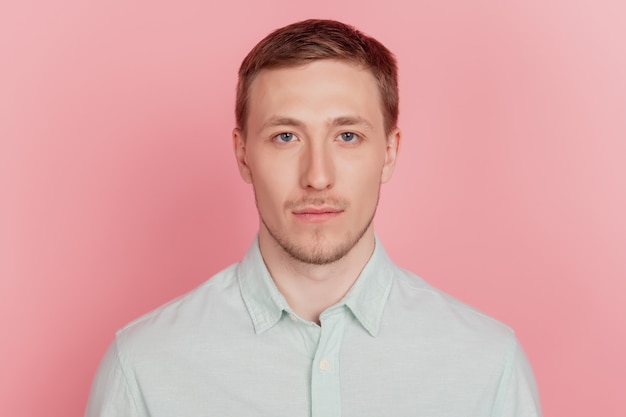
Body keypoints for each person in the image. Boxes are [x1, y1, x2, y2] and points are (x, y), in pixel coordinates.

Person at [85, 19, 542, 417]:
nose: (317, 176)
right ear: (243, 155)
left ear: (389, 152)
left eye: (347, 135)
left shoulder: (486, 365)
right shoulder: (144, 366)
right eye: (286, 136)